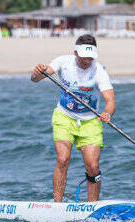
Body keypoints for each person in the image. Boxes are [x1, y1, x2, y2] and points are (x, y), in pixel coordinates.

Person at [31, 34, 116, 202]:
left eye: (90, 57)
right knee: (63, 159)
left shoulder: (99, 71)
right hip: (64, 117)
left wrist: (107, 113)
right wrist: (38, 73)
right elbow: (36, 78)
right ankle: (57, 204)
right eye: (84, 57)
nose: (87, 61)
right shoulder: (63, 62)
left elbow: (110, 100)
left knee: (93, 166)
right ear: (75, 53)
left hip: (90, 121)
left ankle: (92, 206)